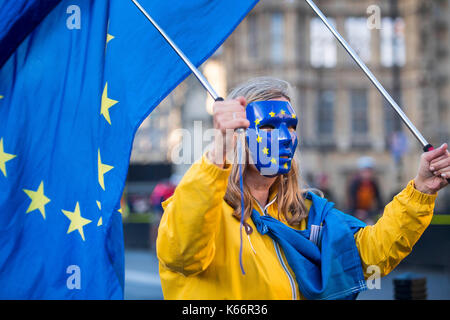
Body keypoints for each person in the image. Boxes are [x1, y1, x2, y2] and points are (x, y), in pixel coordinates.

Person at [156, 77, 449, 300]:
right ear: (237, 137)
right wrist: (218, 153)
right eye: (270, 127)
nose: (285, 137)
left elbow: (369, 254)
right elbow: (183, 254)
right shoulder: (204, 210)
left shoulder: (309, 213)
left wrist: (421, 190)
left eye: (291, 126)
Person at [347, 156, 383, 224]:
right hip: (355, 212)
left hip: (368, 212)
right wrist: (356, 211)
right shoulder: (354, 184)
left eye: (369, 171)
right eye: (365, 171)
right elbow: (351, 201)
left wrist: (381, 210)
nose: (367, 174)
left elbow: (378, 199)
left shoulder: (373, 183)